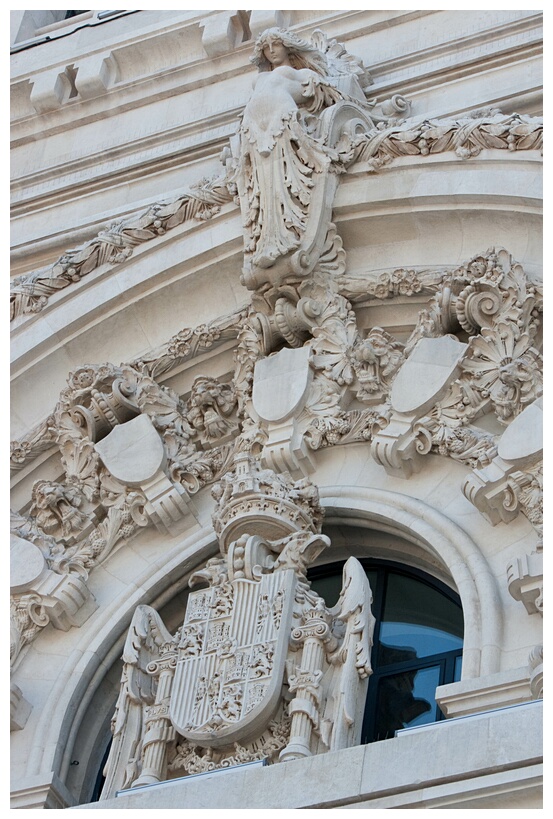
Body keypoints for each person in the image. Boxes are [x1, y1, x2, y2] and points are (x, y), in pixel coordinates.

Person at [237, 28, 344, 277]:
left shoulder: (301, 72)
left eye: (276, 44)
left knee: (280, 178)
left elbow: (319, 90)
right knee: (267, 183)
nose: (272, 50)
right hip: (256, 129)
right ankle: (270, 238)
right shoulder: (260, 78)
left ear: (287, 45)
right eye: (266, 47)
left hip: (282, 121)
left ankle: (284, 235)